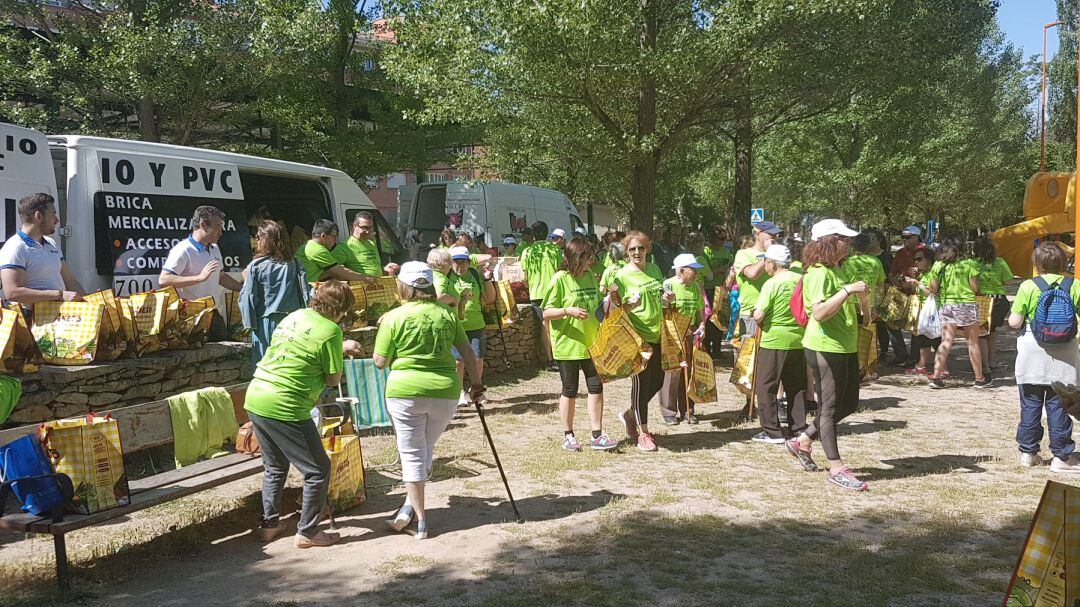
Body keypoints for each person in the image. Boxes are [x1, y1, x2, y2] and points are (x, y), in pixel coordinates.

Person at [243, 280, 361, 548]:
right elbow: (332, 379)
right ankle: (307, 532)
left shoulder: (295, 315)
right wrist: (341, 351)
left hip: (257, 394)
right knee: (318, 469)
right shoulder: (332, 331)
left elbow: (299, 348)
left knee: (274, 466)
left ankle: (270, 525)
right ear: (341, 309)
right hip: (286, 405)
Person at [375, 262, 485, 539]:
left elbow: (380, 362)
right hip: (445, 392)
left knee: (412, 453)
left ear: (403, 286)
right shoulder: (447, 314)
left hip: (405, 392)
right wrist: (477, 384)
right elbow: (467, 353)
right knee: (424, 449)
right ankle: (407, 509)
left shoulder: (393, 317)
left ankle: (420, 521)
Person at [785, 219, 870, 491]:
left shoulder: (837, 270)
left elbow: (854, 312)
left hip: (845, 345)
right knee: (830, 408)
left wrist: (863, 300)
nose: (849, 243)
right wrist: (847, 291)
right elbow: (819, 313)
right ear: (829, 241)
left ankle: (803, 440)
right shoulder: (818, 273)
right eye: (844, 238)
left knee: (848, 405)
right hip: (824, 347)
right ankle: (836, 467)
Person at [1008, 243, 1080, 472]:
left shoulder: (1028, 286)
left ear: (1036, 264)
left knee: (1030, 404)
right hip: (1065, 352)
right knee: (1060, 405)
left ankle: (1028, 453)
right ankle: (1062, 457)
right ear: (1062, 263)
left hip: (1032, 350)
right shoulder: (1074, 285)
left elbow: (1014, 322)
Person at [542, 236, 618, 451]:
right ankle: (568, 435)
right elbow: (546, 312)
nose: (589, 261)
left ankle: (597, 434)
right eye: (585, 257)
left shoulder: (591, 278)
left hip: (592, 344)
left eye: (590, 257)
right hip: (568, 346)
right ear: (574, 258)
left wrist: (611, 302)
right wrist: (568, 311)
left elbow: (597, 308)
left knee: (596, 387)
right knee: (570, 390)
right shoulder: (560, 279)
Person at [611, 231, 666, 452]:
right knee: (641, 385)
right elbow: (615, 311)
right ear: (627, 252)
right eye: (632, 249)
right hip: (637, 336)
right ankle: (643, 434)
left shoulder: (654, 269)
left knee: (659, 381)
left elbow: (659, 295)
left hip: (658, 332)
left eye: (641, 248)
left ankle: (630, 413)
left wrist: (666, 299)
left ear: (647, 249)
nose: (637, 252)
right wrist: (629, 306)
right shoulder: (622, 276)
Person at [160, 205, 243, 340]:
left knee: (226, 357)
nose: (221, 232)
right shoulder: (183, 249)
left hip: (214, 314)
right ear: (203, 225)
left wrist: (243, 288)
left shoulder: (215, 248)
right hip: (192, 316)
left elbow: (221, 277)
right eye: (218, 227)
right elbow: (164, 280)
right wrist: (199, 278)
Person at [752, 244, 808, 443]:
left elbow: (759, 313)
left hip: (774, 340)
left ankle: (771, 431)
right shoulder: (800, 279)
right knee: (797, 385)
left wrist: (756, 317)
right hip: (799, 340)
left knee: (766, 385)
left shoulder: (772, 283)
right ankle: (799, 427)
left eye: (765, 261)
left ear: (771, 263)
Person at [239, 221, 310, 364]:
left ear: (266, 239)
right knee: (292, 363)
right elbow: (306, 294)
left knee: (266, 365)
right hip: (294, 322)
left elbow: (248, 298)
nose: (256, 240)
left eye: (258, 237)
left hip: (266, 323)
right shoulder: (295, 264)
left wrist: (248, 325)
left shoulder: (255, 266)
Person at [0, 193, 84, 306]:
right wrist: (59, 295)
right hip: (31, 320)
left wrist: (91, 301)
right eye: (53, 214)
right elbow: (12, 292)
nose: (57, 220)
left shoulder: (51, 243)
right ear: (38, 216)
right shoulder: (15, 247)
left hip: (57, 318)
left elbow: (69, 280)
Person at [927, 237, 988, 389]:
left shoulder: (938, 265)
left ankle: (936, 377)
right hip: (966, 305)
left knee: (946, 341)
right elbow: (974, 288)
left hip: (947, 305)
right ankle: (979, 379)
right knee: (972, 342)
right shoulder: (970, 264)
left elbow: (932, 289)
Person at [658, 254, 707, 425]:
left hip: (689, 335)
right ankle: (669, 411)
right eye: (692, 269)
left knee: (689, 372)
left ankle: (688, 409)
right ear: (680, 270)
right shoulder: (668, 284)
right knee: (673, 373)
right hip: (672, 335)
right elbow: (663, 308)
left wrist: (702, 326)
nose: (695, 272)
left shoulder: (695, 287)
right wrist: (665, 300)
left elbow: (700, 311)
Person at [450, 246, 495, 406]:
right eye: (455, 262)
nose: (459, 266)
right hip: (456, 326)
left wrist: (488, 279)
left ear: (469, 263)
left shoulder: (475, 275)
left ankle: (475, 390)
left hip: (476, 325)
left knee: (477, 360)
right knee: (458, 361)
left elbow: (489, 298)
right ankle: (459, 392)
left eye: (463, 263)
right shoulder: (446, 277)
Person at [521, 221, 564, 369]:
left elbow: (523, 278)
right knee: (556, 324)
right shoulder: (555, 249)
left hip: (537, 293)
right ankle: (560, 356)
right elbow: (561, 270)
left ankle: (550, 359)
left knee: (545, 325)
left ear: (533, 235)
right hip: (554, 292)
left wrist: (529, 284)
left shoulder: (527, 251)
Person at [730, 221, 780, 339]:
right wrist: (769, 254)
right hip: (751, 313)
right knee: (748, 355)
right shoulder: (743, 254)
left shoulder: (777, 254)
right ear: (758, 234)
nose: (774, 237)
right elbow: (752, 274)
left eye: (776, 234)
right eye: (770, 234)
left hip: (774, 313)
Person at [885, 226, 926, 365]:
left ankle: (914, 357)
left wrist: (916, 282)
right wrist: (895, 280)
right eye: (902, 237)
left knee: (916, 325)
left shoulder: (926, 252)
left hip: (918, 294)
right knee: (890, 320)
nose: (904, 240)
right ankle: (901, 354)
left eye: (908, 237)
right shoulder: (900, 253)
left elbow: (932, 274)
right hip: (900, 292)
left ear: (916, 237)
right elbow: (891, 274)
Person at [973, 235, 1013, 376]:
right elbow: (1009, 282)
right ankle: (991, 361)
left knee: (981, 335)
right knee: (992, 332)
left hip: (981, 301)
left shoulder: (972, 263)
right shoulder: (1000, 262)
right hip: (999, 301)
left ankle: (984, 366)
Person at [295, 219, 374, 284]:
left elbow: (314, 273)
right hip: (308, 291)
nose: (335, 241)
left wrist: (331, 271)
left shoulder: (307, 246)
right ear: (323, 236)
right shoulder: (318, 250)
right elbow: (341, 272)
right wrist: (365, 277)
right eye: (334, 237)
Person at [901, 248, 940, 378]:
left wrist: (917, 283)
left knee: (936, 339)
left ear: (929, 260)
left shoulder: (933, 273)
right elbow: (913, 289)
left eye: (919, 259)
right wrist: (913, 279)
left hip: (934, 310)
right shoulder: (923, 274)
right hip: (924, 310)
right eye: (915, 259)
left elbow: (931, 293)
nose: (916, 262)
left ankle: (942, 368)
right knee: (924, 338)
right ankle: (921, 366)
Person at [345, 211, 399, 279]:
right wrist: (361, 277)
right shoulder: (346, 246)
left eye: (370, 228)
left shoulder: (372, 243)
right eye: (364, 228)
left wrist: (385, 269)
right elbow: (333, 270)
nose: (368, 231)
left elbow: (373, 267)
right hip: (360, 287)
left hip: (377, 286)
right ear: (355, 226)